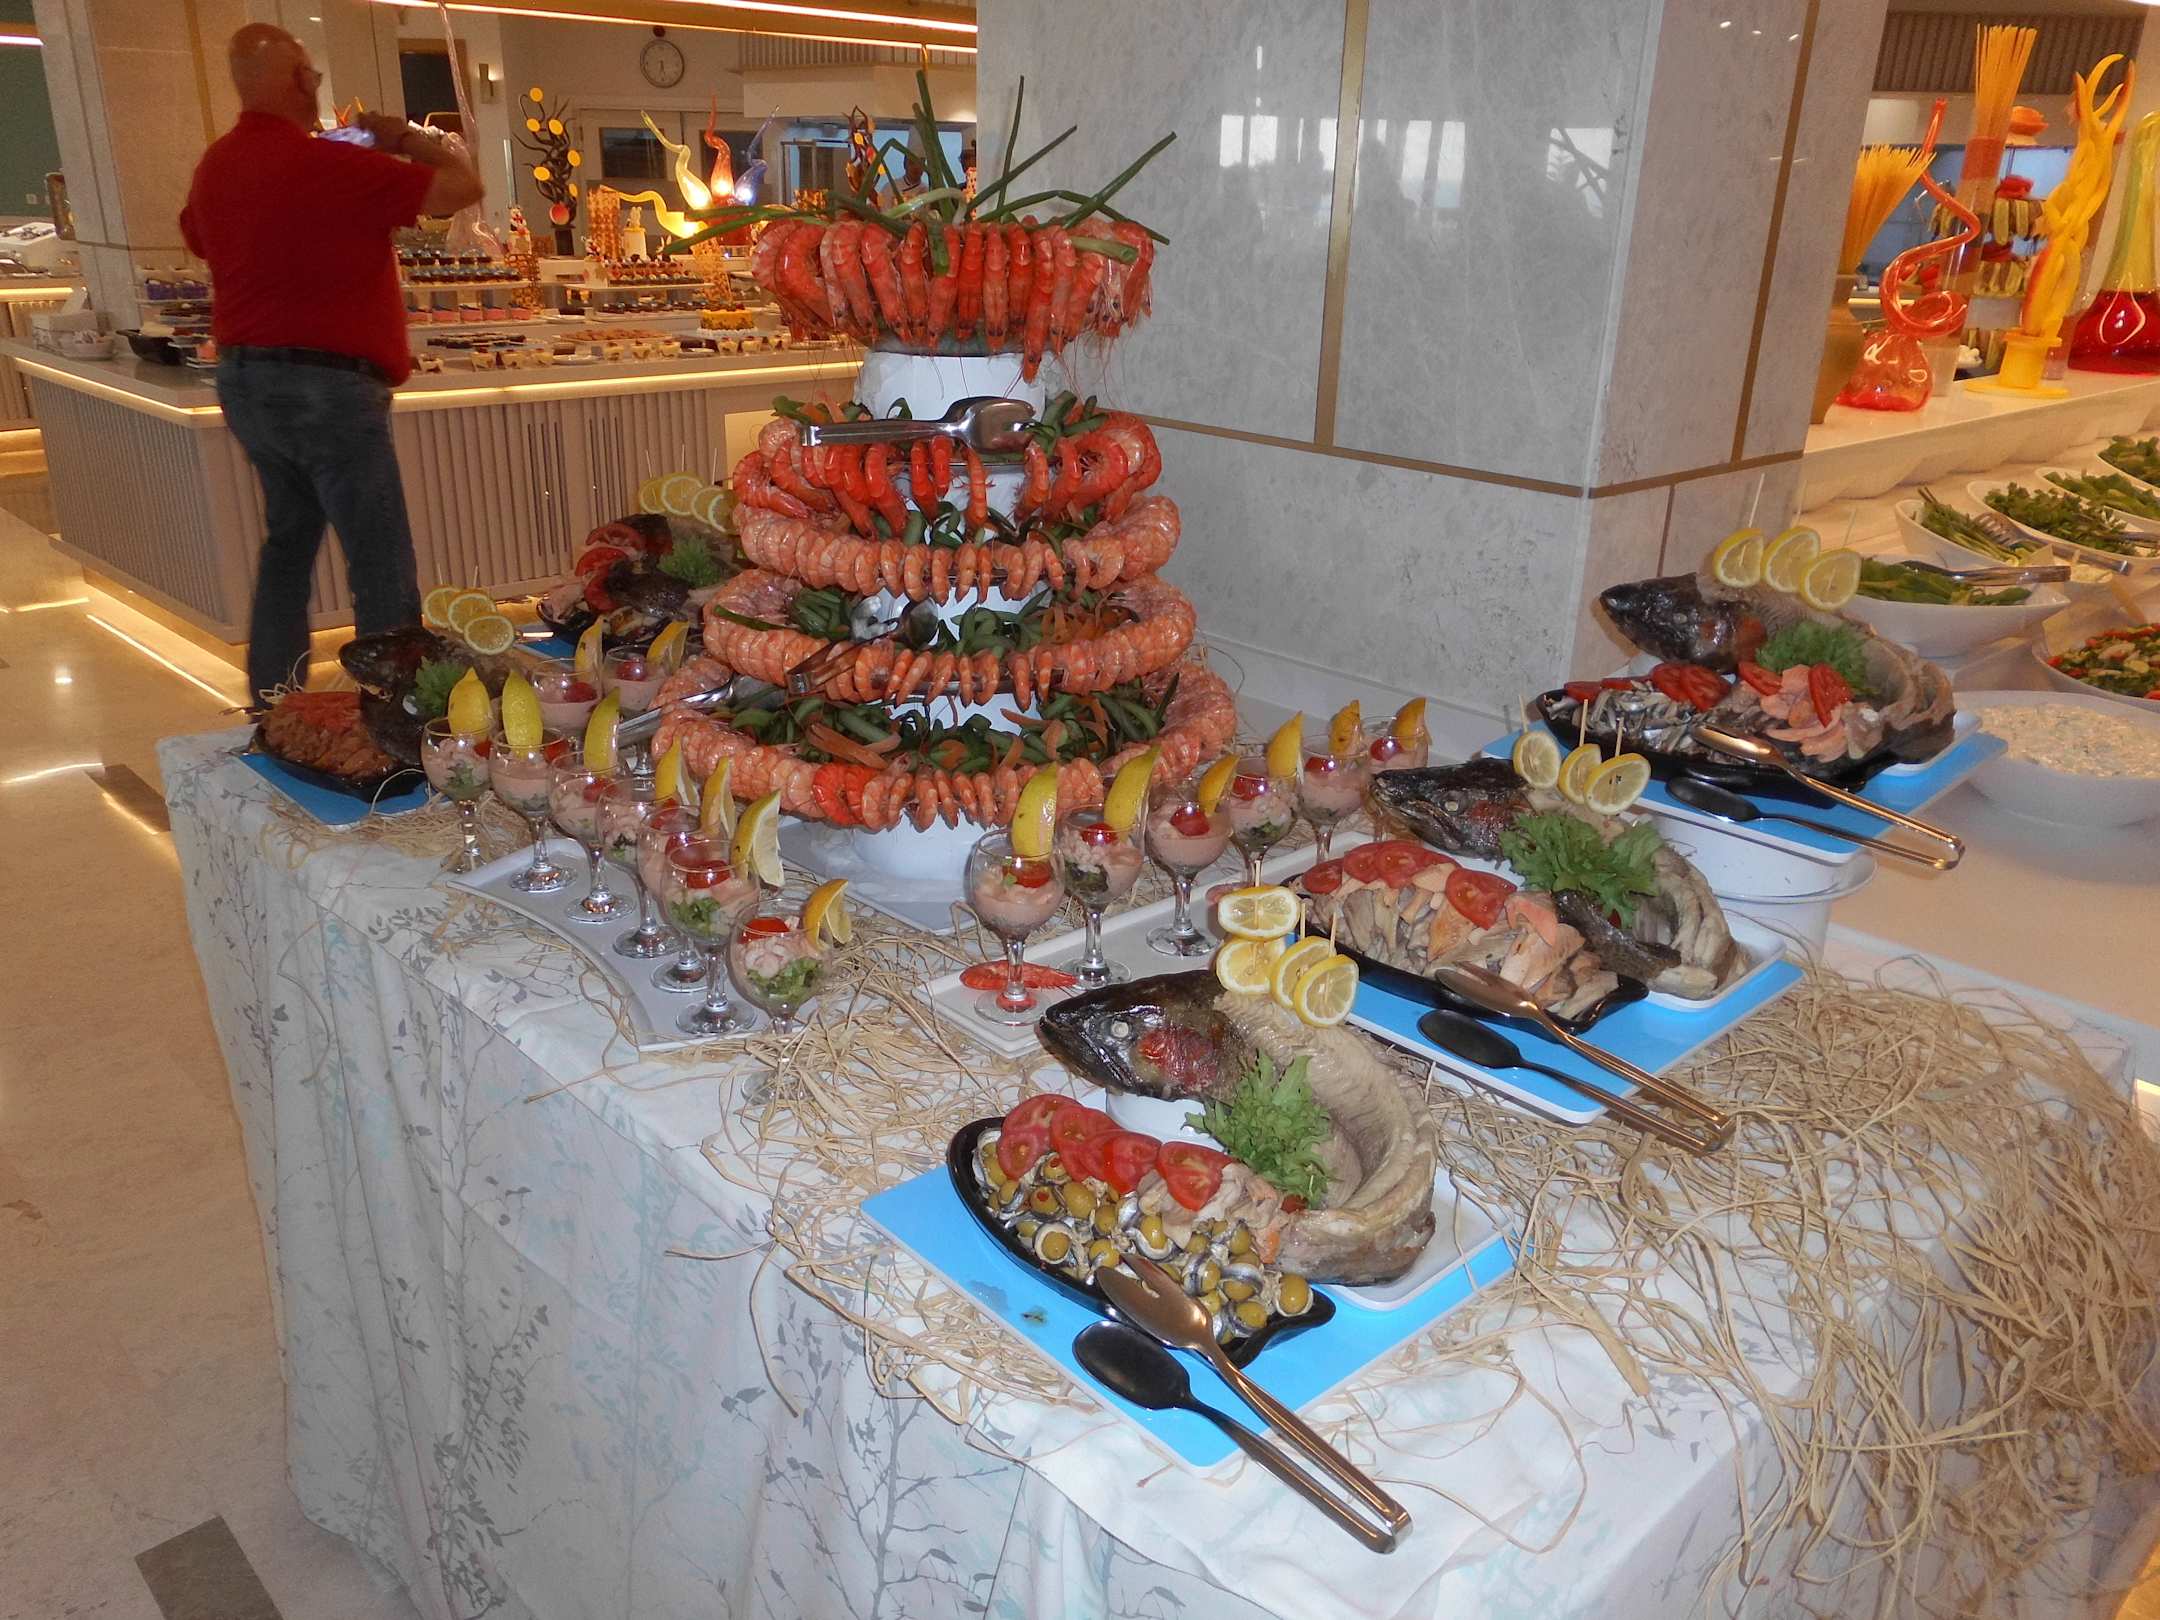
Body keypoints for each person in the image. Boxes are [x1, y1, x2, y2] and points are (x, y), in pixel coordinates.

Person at [180, 23, 483, 703]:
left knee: (288, 543)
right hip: (330, 387)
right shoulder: (330, 165)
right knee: (377, 554)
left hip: (246, 381)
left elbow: (198, 237)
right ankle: (392, 708)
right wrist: (405, 136)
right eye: (310, 74)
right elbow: (462, 186)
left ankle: (275, 701)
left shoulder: (217, 164)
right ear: (301, 80)